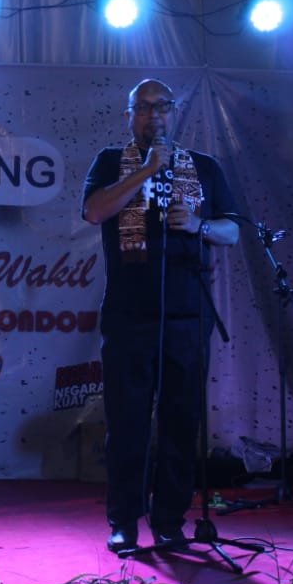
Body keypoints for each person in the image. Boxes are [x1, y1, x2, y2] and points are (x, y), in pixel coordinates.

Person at [81, 78, 240, 554]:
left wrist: (199, 224)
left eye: (162, 106)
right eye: (144, 107)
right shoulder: (111, 161)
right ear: (130, 115)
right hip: (130, 315)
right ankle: (124, 522)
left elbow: (232, 231)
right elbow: (95, 211)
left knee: (180, 422)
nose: (154, 115)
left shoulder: (204, 167)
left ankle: (170, 521)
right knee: (127, 424)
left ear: (173, 113)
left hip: (188, 316)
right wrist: (146, 171)